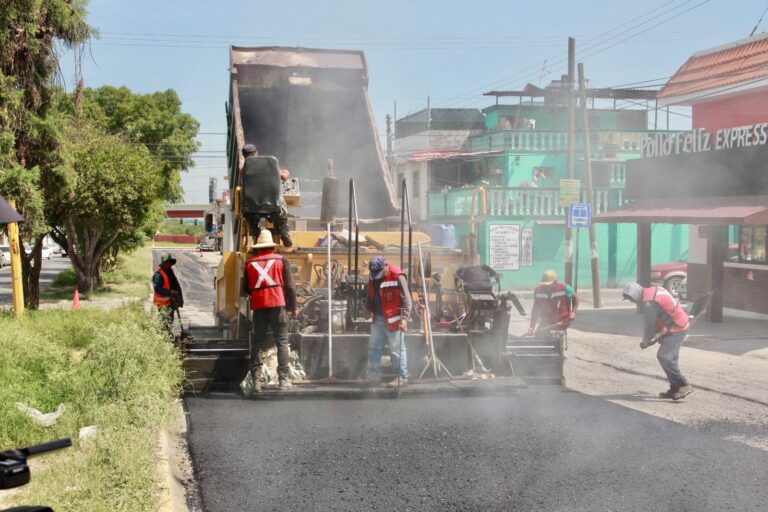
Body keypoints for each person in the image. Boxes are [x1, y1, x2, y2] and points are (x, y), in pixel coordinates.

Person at [242, 229, 298, 395]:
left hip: (259, 307)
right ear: (272, 247)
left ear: (258, 248)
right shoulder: (282, 261)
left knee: (258, 342)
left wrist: (259, 296)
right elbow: (290, 287)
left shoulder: (249, 263)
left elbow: (245, 288)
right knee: (281, 341)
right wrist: (293, 307)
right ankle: (283, 380)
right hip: (278, 306)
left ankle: (257, 382)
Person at [622, 282, 693, 400]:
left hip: (677, 326)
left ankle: (683, 385)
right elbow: (662, 313)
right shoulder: (654, 289)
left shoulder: (649, 303)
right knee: (670, 358)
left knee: (665, 356)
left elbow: (649, 325)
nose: (633, 302)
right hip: (675, 323)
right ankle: (675, 387)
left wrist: (646, 341)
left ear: (636, 294)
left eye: (631, 299)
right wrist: (657, 335)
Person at [364, 256, 412, 387]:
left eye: (379, 274)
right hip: (378, 318)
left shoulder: (397, 276)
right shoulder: (373, 276)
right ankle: (374, 377)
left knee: (397, 349)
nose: (377, 277)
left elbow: (407, 300)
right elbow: (371, 293)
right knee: (374, 348)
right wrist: (368, 308)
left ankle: (402, 378)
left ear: (385, 266)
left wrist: (404, 319)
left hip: (394, 320)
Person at [241, 144, 293, 247]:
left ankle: (256, 236)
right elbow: (284, 176)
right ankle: (284, 232)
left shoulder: (243, 170)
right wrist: (285, 172)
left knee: (252, 221)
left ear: (243, 156)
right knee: (281, 215)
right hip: (273, 207)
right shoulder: (270, 165)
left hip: (252, 208)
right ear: (257, 153)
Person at [528, 270, 578, 335]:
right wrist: (532, 326)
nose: (547, 287)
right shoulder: (538, 290)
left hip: (562, 321)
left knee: (557, 339)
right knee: (541, 337)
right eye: (546, 284)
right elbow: (535, 309)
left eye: (549, 284)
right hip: (545, 321)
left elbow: (576, 298)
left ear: (555, 281)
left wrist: (573, 312)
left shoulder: (564, 287)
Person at [153, 253, 183, 338]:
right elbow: (157, 289)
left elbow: (174, 285)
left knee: (170, 322)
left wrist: (177, 297)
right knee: (165, 323)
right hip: (163, 304)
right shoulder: (158, 275)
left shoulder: (170, 272)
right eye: (168, 262)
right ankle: (164, 339)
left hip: (170, 302)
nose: (170, 264)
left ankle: (168, 337)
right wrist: (170, 292)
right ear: (164, 263)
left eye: (170, 262)